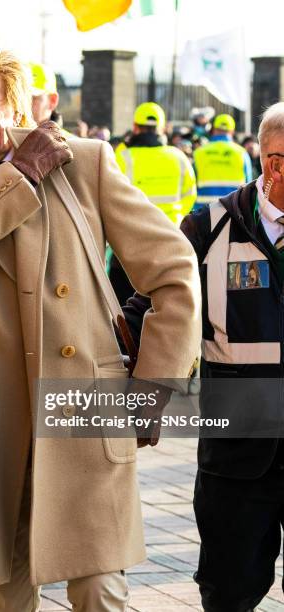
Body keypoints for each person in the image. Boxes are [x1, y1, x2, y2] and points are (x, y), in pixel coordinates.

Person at [0, 37, 200, 611]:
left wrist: (157, 383)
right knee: (8, 589)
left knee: (98, 586)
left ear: (11, 105)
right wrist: (19, 173)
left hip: (86, 402)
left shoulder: (85, 163)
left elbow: (175, 271)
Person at [123, 101, 284, 612]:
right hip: (238, 449)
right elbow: (143, 307)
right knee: (229, 586)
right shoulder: (209, 228)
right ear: (274, 164)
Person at [110, 102, 197, 304]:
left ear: (135, 127)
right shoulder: (179, 158)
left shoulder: (122, 156)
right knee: (165, 308)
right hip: (170, 241)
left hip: (128, 247)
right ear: (163, 128)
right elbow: (189, 197)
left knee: (124, 310)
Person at [193, 113, 252, 210]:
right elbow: (249, 186)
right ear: (232, 131)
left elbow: (191, 184)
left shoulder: (199, 152)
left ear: (214, 129)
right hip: (233, 210)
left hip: (203, 211)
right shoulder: (241, 153)